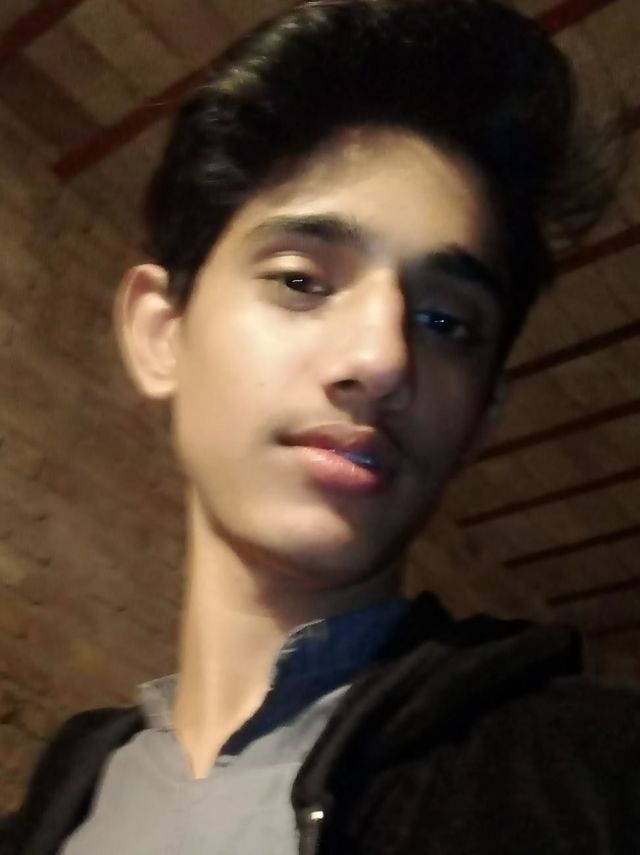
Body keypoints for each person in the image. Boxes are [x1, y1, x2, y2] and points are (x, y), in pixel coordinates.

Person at [3, 0, 639, 852]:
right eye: (302, 281)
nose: (382, 358)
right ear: (163, 335)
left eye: (445, 322)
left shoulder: (596, 781)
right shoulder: (47, 818)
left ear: (482, 416)